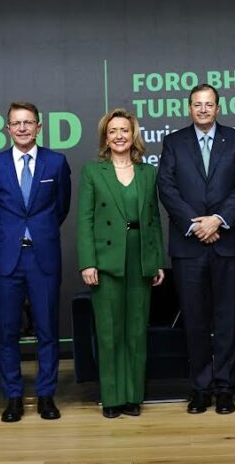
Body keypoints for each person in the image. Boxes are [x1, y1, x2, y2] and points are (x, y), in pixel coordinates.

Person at [157, 84, 235, 415]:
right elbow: (166, 187)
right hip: (188, 244)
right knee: (195, 320)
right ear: (189, 108)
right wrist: (196, 224)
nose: (202, 109)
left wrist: (217, 220)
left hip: (227, 243)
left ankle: (226, 387)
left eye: (208, 104)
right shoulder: (173, 142)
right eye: (197, 105)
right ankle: (201, 387)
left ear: (217, 108)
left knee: (227, 318)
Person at [0, 101, 71, 422]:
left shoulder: (56, 163)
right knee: (7, 332)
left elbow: (60, 209)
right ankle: (14, 397)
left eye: (28, 122)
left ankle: (46, 395)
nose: (22, 128)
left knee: (48, 330)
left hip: (43, 258)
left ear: (39, 127)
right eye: (16, 123)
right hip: (8, 261)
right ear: (7, 128)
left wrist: (39, 233)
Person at [76, 108, 166, 418]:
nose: (119, 136)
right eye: (113, 131)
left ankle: (132, 396)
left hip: (139, 257)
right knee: (109, 331)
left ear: (133, 135)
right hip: (106, 260)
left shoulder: (147, 173)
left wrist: (157, 262)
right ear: (105, 136)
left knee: (136, 331)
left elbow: (153, 220)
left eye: (124, 130)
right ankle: (112, 397)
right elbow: (85, 220)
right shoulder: (92, 171)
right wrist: (88, 262)